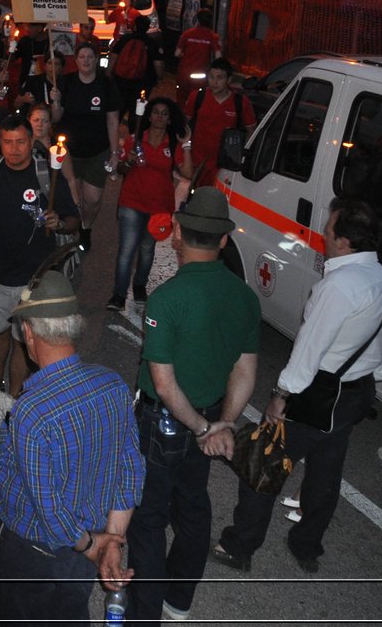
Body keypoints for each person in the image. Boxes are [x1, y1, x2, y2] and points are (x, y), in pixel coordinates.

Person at [212, 195, 382, 575]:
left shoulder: (340, 285)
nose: (323, 232)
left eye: (330, 228)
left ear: (345, 241)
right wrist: (372, 375)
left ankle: (239, 546)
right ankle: (306, 544)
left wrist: (281, 395)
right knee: (325, 472)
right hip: (356, 392)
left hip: (319, 395)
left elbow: (310, 347)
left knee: (264, 464)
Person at [127, 188, 261, 624]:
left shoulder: (166, 299)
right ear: (223, 240)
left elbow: (163, 384)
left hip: (165, 422)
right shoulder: (244, 297)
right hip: (206, 414)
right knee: (193, 504)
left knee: (147, 518)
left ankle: (144, 614)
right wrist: (221, 423)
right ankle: (179, 599)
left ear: (178, 233)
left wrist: (203, 427)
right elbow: (245, 371)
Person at [0, 263, 141, 626]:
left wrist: (93, 547)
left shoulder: (32, 410)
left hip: (34, 553)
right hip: (84, 550)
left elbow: (49, 508)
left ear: (27, 332)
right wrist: (112, 541)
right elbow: (130, 469)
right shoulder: (113, 384)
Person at [0, 113, 79, 396]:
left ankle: (14, 395)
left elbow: (74, 221)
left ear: (32, 140)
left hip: (35, 276)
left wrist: (58, 221)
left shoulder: (48, 173)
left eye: (20, 142)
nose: (14, 149)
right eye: (7, 142)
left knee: (23, 340)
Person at [109, 96, 189, 311]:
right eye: (155, 112)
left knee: (147, 249)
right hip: (131, 203)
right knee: (126, 250)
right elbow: (120, 169)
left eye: (164, 113)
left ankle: (139, 286)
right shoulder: (136, 139)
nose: (159, 117)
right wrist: (128, 161)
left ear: (170, 119)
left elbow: (188, 172)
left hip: (158, 207)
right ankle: (118, 295)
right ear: (148, 115)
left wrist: (186, 144)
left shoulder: (172, 144)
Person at [52, 42, 120, 251]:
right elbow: (56, 118)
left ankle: (85, 227)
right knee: (73, 196)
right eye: (82, 57)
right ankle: (69, 230)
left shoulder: (106, 84)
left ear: (96, 59)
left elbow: (112, 120)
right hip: (70, 151)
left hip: (97, 151)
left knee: (92, 198)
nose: (86, 61)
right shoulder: (65, 82)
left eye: (90, 57)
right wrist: (55, 102)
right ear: (76, 59)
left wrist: (115, 152)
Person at [179, 58, 256, 188]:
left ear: (229, 80)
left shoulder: (240, 102)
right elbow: (183, 124)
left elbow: (251, 130)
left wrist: (241, 155)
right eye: (211, 77)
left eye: (220, 78)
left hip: (224, 167)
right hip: (197, 163)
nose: (214, 82)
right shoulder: (197, 97)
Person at [174, 9, 220, 91]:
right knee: (198, 96)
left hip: (184, 71)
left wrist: (184, 55)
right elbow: (218, 56)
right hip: (200, 72)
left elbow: (177, 54)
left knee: (182, 95)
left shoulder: (187, 34)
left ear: (197, 20)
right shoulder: (213, 36)